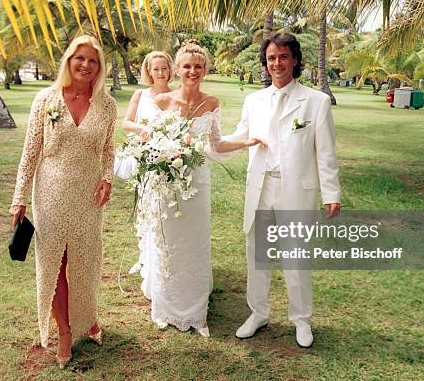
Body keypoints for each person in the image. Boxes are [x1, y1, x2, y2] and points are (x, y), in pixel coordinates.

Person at [225, 31, 341, 348]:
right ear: (266, 62)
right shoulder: (254, 101)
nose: (277, 63)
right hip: (260, 187)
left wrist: (331, 194)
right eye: (272, 57)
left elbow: (326, 152)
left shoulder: (316, 102)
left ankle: (301, 320)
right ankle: (258, 313)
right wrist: (209, 142)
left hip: (296, 190)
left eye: (283, 57)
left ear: (295, 60)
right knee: (257, 255)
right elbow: (239, 136)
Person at [143, 40, 263, 337]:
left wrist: (245, 142)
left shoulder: (212, 103)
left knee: (194, 243)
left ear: (205, 70)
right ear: (177, 69)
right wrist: (163, 157)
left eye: (198, 66)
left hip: (197, 183)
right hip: (167, 185)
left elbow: (216, 143)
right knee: (168, 242)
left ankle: (195, 307)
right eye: (187, 66)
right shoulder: (160, 102)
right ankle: (166, 304)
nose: (192, 71)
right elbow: (149, 141)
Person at [9, 35, 116, 368]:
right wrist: (19, 198)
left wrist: (107, 178)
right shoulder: (46, 99)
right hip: (51, 192)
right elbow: (30, 152)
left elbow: (109, 149)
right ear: (68, 60)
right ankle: (65, 332)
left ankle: (88, 318)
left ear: (99, 67)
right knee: (55, 263)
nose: (85, 65)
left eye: (93, 60)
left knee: (84, 262)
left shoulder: (107, 103)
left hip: (87, 194)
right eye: (79, 58)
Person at [118, 52, 174, 299]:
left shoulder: (175, 95)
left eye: (164, 68)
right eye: (156, 69)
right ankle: (145, 258)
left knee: (165, 209)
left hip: (168, 160)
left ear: (170, 70)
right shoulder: (140, 95)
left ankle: (164, 257)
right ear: (148, 71)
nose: (160, 73)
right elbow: (126, 123)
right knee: (144, 209)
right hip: (144, 158)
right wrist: (144, 129)